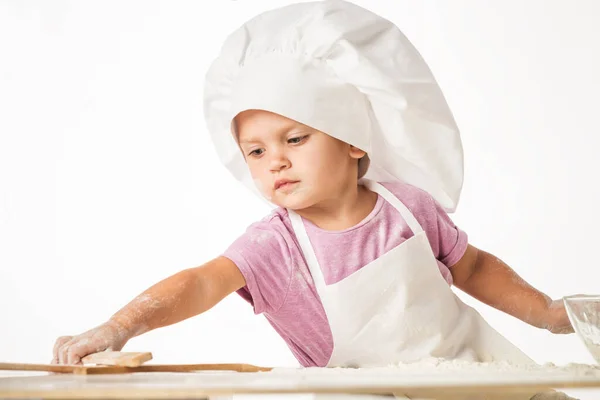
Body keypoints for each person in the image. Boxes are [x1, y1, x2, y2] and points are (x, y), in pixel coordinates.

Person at [52, 0, 575, 390]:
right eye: (255, 152)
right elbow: (202, 282)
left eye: (294, 139)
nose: (274, 160)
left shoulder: (409, 207)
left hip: (475, 376)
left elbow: (474, 268)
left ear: (352, 139)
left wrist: (549, 313)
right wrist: (119, 326)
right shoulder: (276, 247)